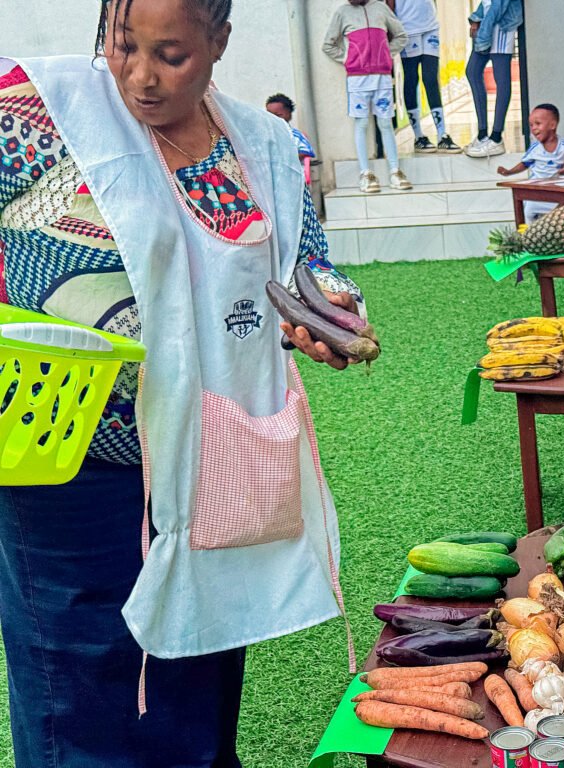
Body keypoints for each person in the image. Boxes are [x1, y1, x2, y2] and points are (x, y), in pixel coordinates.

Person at [0, 0, 366, 765]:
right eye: (122, 43)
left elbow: (309, 260)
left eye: (172, 55)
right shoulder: (34, 106)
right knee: (80, 684)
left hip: (207, 468)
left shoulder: (262, 146)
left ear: (220, 43)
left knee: (196, 665)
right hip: (64, 470)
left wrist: (331, 309)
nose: (139, 75)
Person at [323, 0, 412, 194]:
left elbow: (401, 36)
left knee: (386, 123)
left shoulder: (380, 9)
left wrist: (386, 54)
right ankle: (366, 174)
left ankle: (395, 171)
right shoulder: (342, 13)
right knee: (361, 124)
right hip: (357, 80)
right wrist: (349, 59)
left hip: (382, 78)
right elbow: (328, 44)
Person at [385, 0, 461, 153]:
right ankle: (419, 136)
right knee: (412, 79)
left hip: (430, 26)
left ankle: (442, 135)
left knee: (431, 78)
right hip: (407, 29)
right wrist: (391, 28)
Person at [497, 103, 564, 222]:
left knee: (561, 216)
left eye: (538, 123)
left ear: (552, 125)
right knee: (528, 212)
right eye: (531, 125)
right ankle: (528, 236)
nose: (533, 128)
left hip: (557, 191)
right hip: (536, 191)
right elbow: (524, 163)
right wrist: (509, 172)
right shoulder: (535, 147)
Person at [464, 0, 523, 158]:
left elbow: (498, 7)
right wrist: (477, 19)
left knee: (501, 79)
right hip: (488, 24)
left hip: (503, 24)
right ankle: (482, 134)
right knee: (472, 71)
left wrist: (483, 32)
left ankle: (496, 138)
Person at [265, 93, 317, 161]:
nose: (274, 119)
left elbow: (305, 151)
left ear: (289, 114)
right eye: (270, 116)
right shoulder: (265, 135)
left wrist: (287, 160)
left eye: (278, 115)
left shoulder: (296, 135)